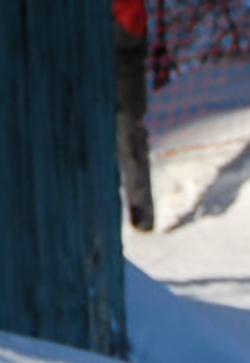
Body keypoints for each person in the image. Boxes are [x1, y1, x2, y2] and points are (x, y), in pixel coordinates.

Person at [113, 0, 155, 233]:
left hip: (125, 98)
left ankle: (142, 219)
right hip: (110, 94)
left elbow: (129, 32)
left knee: (131, 152)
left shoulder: (130, 9)